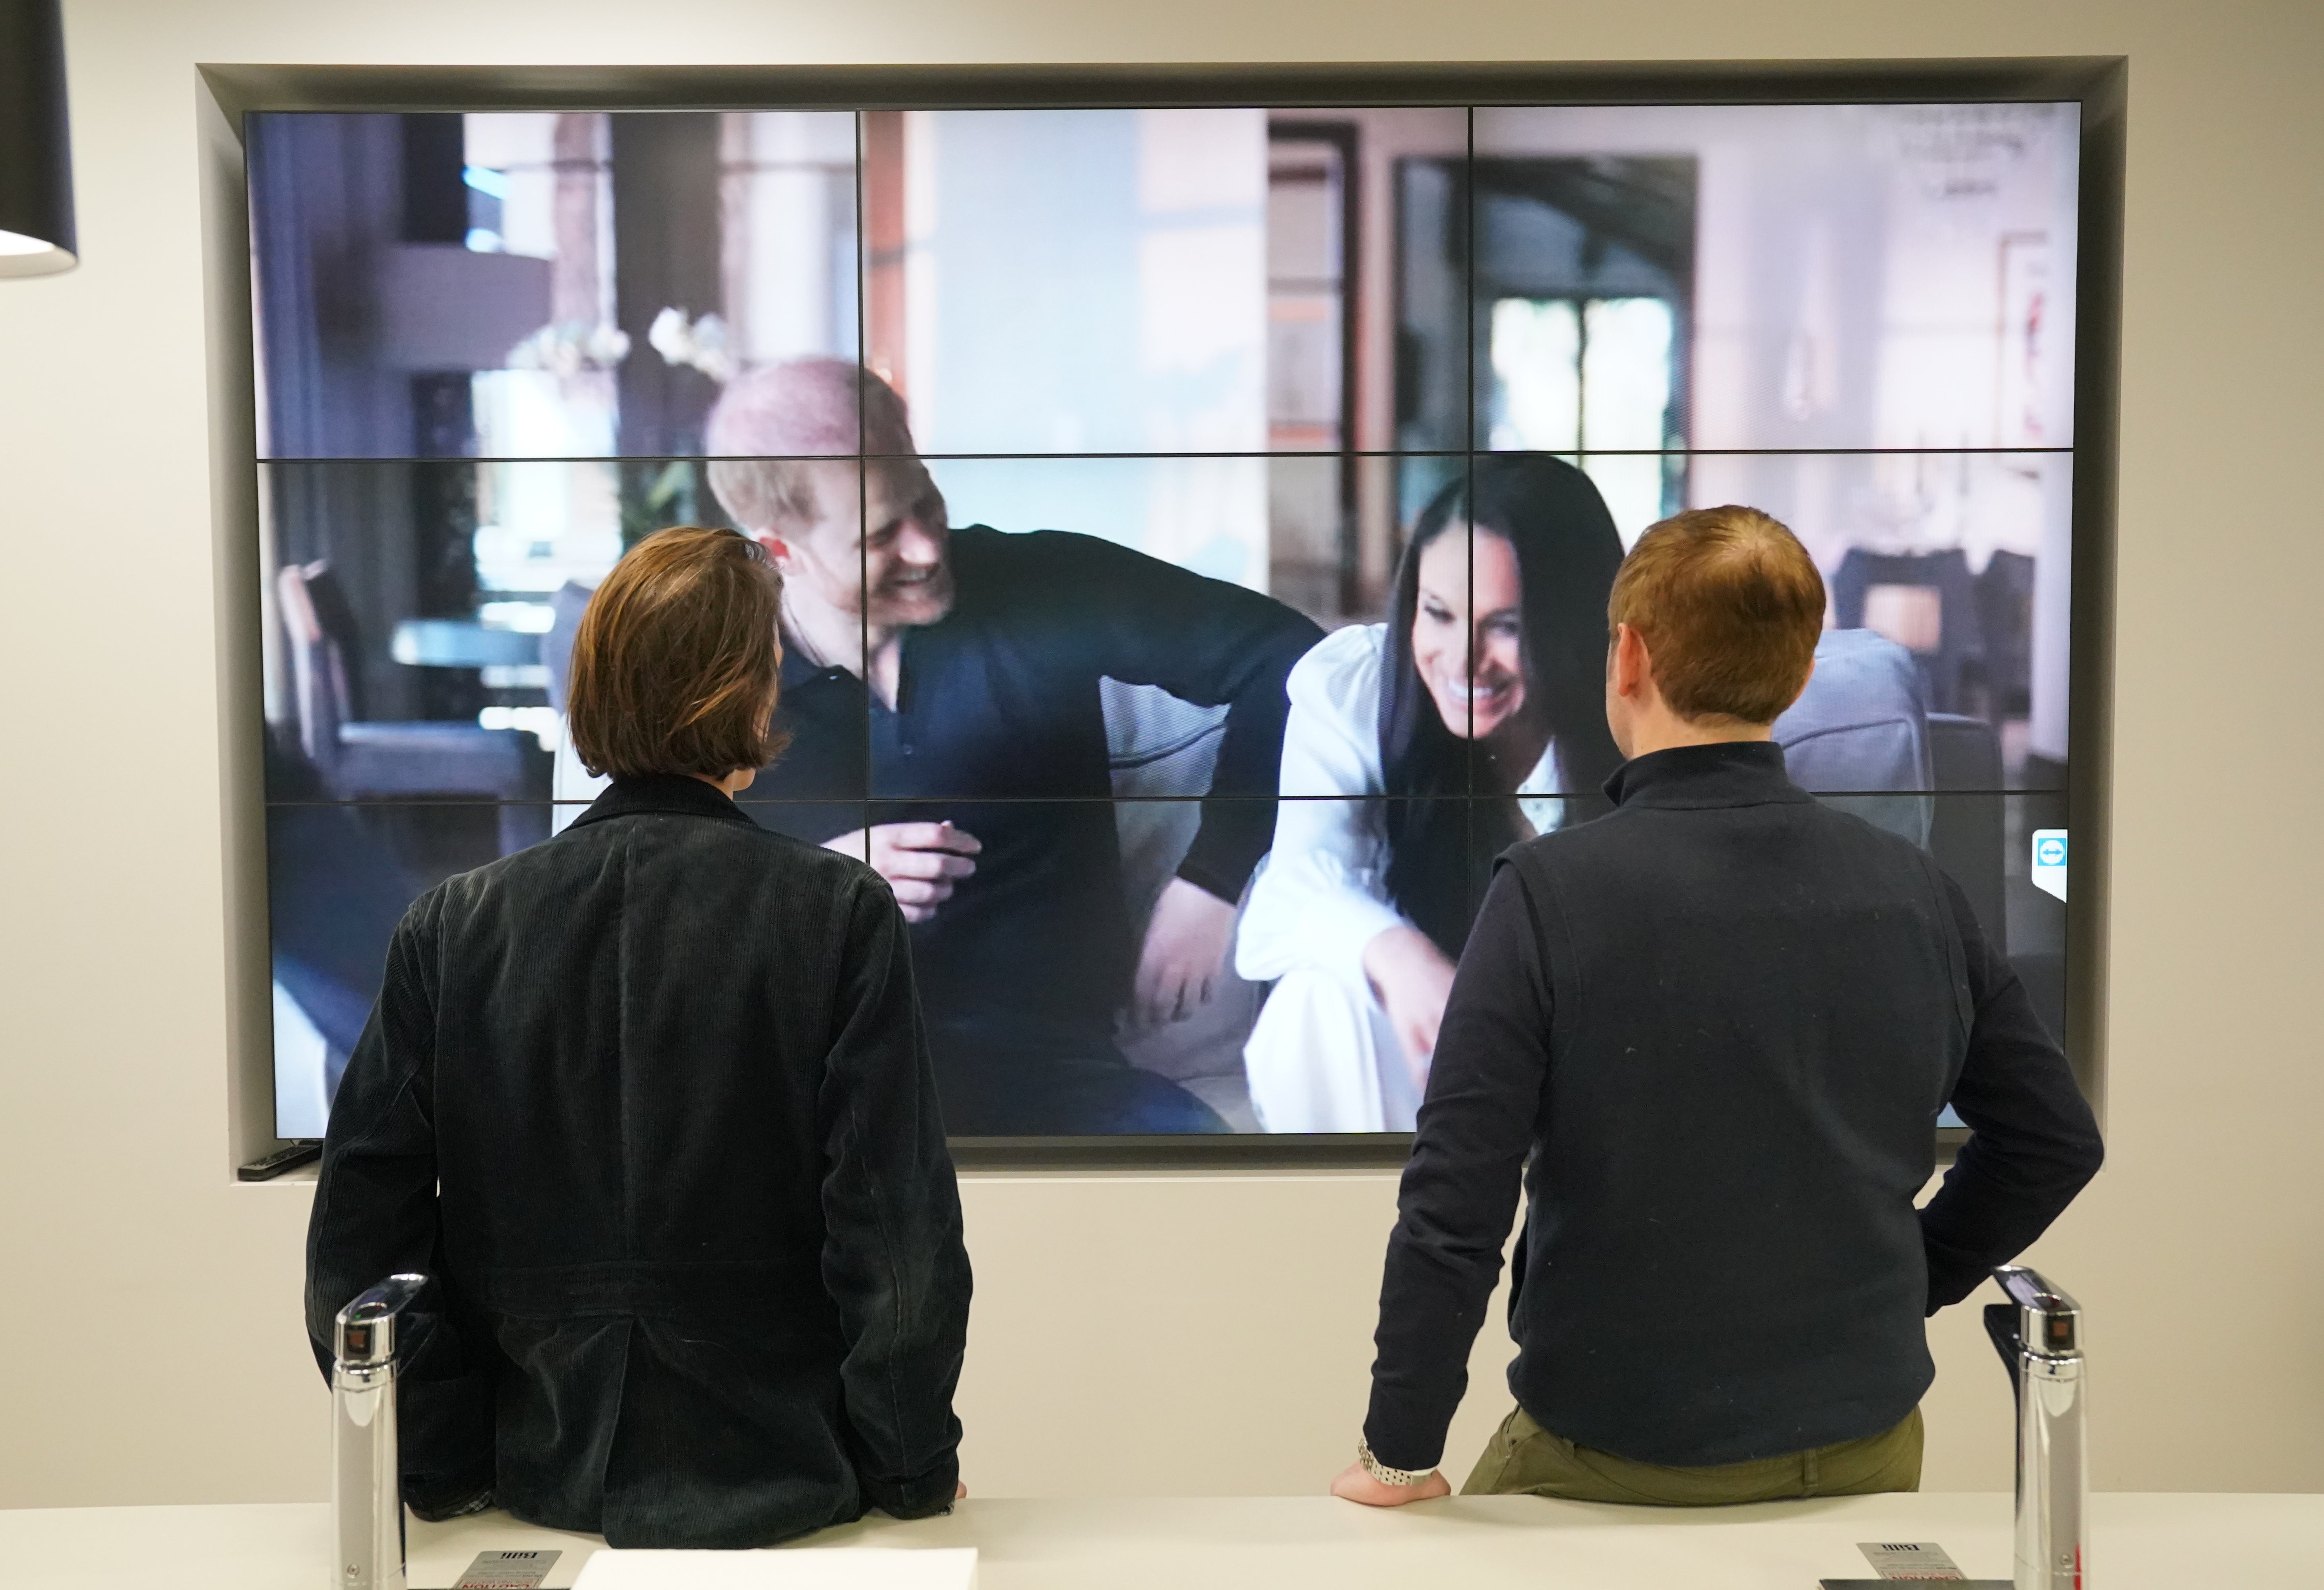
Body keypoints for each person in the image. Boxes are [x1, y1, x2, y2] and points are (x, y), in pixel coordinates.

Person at [1331, 506, 2103, 1508]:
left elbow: (1456, 1203)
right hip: (1866, 1449)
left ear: (1628, 657)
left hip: (1611, 1460)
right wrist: (1912, 1278)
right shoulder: (1916, 889)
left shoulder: (1543, 893)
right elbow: (2053, 1139)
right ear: (1798, 665)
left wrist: (1399, 1452)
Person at [305, 527, 970, 1548]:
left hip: (530, 1487)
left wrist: (445, 1464)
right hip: (788, 1496)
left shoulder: (453, 923)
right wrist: (910, 1468)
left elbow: (360, 1247)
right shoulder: (837, 910)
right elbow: (896, 1238)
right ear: (754, 693)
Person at [699, 359, 1324, 1136]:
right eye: (882, 533)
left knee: (1222, 1198)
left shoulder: (1041, 584)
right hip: (816, 1102)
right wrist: (816, 886)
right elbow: (646, 916)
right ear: (781, 549)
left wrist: (1214, 876)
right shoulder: (713, 682)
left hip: (1061, 1081)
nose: (929, 547)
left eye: (925, 500)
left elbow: (1296, 661)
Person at [1236, 455, 1625, 1132]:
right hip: (1421, 1077)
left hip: (1585, 1074)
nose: (1462, 659)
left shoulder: (1639, 714)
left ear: (1572, 626)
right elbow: (1287, 899)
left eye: (1505, 626)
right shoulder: (1357, 688)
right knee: (1315, 1003)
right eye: (1439, 614)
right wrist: (1401, 958)